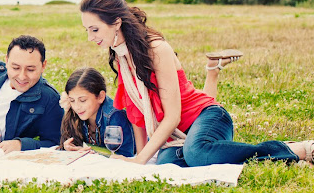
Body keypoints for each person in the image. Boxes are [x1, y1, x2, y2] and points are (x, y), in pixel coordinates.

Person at [77, 0, 314, 168]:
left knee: (196, 154)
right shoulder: (121, 56)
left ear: (117, 22)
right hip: (179, 136)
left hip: (208, 117)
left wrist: (140, 159)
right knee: (165, 162)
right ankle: (273, 160)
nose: (90, 37)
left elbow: (173, 115)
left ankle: (293, 149)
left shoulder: (156, 49)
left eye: (95, 29)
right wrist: (141, 159)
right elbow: (136, 114)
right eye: (87, 30)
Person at [58, 55, 237, 158]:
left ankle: (212, 72)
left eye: (82, 100)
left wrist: (91, 151)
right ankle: (213, 71)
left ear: (100, 96)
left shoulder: (114, 114)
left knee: (196, 111)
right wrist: (71, 147)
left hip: (170, 130)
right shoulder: (76, 114)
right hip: (167, 131)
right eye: (73, 101)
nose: (77, 106)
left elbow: (126, 153)